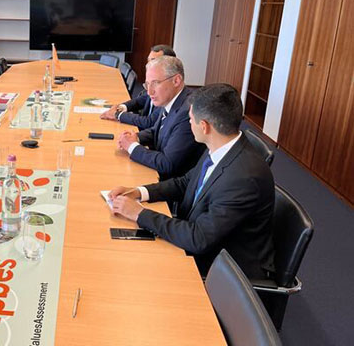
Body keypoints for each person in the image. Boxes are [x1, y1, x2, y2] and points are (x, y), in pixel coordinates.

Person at [109, 84, 275, 279]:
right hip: (200, 236)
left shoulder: (243, 178)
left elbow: (199, 238)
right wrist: (139, 192)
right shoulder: (222, 145)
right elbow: (185, 182)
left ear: (204, 126)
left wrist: (139, 213)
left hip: (224, 269)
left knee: (133, 268)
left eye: (190, 119)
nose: (188, 123)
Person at [117, 56, 205, 180]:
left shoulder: (187, 113)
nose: (149, 92)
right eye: (147, 84)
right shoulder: (171, 98)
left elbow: (167, 164)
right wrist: (136, 137)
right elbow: (157, 131)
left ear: (176, 81)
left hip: (170, 182)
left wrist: (132, 147)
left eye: (155, 83)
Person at [100, 44, 176, 129]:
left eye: (154, 61)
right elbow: (141, 100)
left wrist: (118, 115)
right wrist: (121, 107)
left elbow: (149, 122)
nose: (148, 65)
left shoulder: (166, 91)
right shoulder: (154, 83)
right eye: (148, 60)